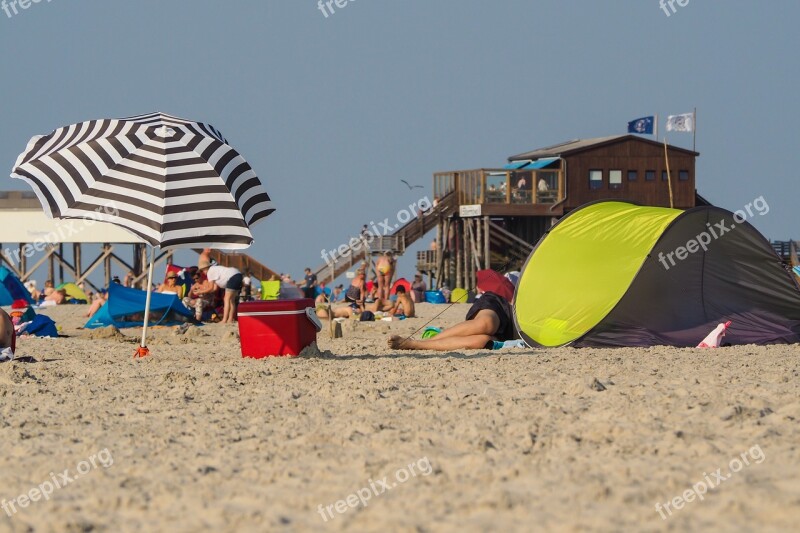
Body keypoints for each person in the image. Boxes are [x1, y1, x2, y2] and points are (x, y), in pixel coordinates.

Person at [388, 271, 516, 351]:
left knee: (482, 341)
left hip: (512, 331)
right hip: (500, 305)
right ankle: (425, 341)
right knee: (486, 324)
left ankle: (417, 344)